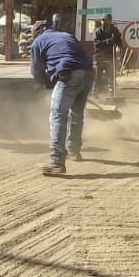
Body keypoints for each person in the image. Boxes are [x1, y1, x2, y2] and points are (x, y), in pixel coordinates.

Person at [30, 13, 93, 175]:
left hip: (69, 74)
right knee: (76, 114)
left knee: (58, 114)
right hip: (88, 74)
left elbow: (36, 71)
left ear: (36, 33)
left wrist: (46, 84)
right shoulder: (66, 35)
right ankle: (74, 150)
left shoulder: (38, 42)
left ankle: (56, 161)